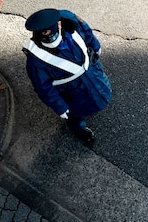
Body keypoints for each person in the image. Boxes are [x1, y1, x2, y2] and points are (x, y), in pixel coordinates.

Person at [23, 8, 112, 144]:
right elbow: (44, 88)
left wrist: (95, 46)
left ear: (59, 24)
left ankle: (102, 96)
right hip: (73, 93)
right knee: (75, 116)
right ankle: (80, 130)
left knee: (101, 91)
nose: (48, 37)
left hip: (93, 74)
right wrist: (61, 108)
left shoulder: (69, 19)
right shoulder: (35, 61)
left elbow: (86, 31)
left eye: (49, 32)